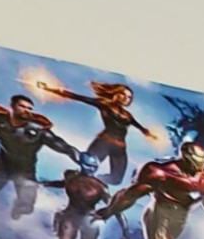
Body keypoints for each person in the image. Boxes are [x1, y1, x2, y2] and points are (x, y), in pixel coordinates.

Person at [29, 77, 161, 183]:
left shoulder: (127, 115)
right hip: (103, 143)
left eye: (129, 98)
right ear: (117, 93)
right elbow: (77, 97)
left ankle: (88, 180)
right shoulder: (104, 104)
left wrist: (148, 133)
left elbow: (139, 126)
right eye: (124, 95)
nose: (127, 99)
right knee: (87, 171)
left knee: (116, 180)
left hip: (119, 148)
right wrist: (50, 89)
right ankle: (68, 181)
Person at [0, 94, 78, 222]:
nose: (26, 110)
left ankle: (17, 211)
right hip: (1, 167)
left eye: (29, 108)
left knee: (26, 207)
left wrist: (79, 155)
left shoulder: (38, 131)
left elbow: (61, 145)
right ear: (12, 106)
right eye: (22, 106)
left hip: (25, 172)